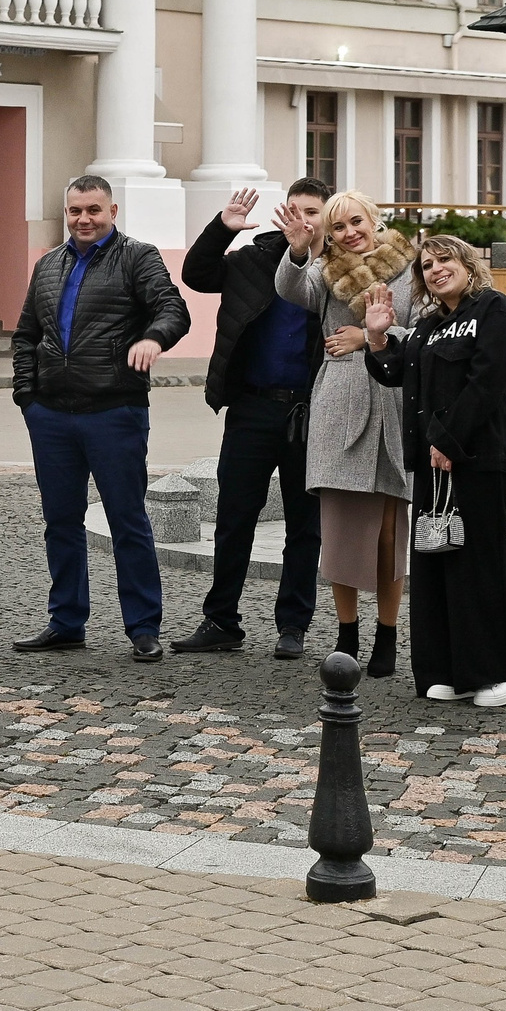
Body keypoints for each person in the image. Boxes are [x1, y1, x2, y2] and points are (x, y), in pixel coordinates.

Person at [10, 177, 192, 661]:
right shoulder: (49, 264)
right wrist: (28, 398)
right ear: (65, 212)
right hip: (52, 415)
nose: (83, 219)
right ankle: (67, 622)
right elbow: (26, 333)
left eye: (93, 210)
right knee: (60, 523)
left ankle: (143, 627)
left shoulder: (138, 256)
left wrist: (153, 337)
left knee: (127, 521)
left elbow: (173, 309)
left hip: (115, 411)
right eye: (74, 211)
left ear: (112, 209)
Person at [362, 233, 506, 708]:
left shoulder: (493, 310)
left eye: (445, 260)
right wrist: (377, 335)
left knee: (479, 564)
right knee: (438, 563)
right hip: (433, 462)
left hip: (478, 458)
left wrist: (450, 440)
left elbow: (489, 381)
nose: (436, 269)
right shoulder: (429, 322)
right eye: (426, 265)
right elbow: (398, 373)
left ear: (466, 263)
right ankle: (449, 670)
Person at [169, 179, 331, 659]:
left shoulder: (341, 270)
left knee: (306, 525)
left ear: (327, 217)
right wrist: (223, 229)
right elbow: (196, 274)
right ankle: (222, 621)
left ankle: (293, 626)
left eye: (313, 211)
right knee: (235, 517)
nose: (302, 219)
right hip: (252, 407)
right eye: (295, 209)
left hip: (312, 411)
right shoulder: (254, 260)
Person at [272, 189, 418, 674]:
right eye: (337, 227)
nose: (349, 232)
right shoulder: (325, 270)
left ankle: (388, 635)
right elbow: (293, 291)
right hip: (340, 399)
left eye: (356, 221)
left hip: (394, 399)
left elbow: (424, 334)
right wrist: (297, 251)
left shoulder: (409, 268)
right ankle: (347, 631)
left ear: (374, 219)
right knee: (339, 531)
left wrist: (373, 336)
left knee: (388, 532)